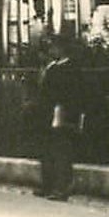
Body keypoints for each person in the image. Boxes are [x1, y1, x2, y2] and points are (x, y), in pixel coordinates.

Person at [36, 38, 84, 202]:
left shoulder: (70, 69)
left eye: (54, 48)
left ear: (62, 49)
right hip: (50, 112)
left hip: (62, 113)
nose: (51, 51)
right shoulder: (53, 68)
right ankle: (48, 184)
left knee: (61, 151)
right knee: (48, 149)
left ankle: (62, 187)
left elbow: (70, 94)